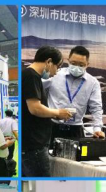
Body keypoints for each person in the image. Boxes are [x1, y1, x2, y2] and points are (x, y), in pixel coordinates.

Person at [22, 46, 72, 177]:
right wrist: (57, 113)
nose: (56, 72)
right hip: (34, 147)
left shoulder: (32, 76)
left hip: (33, 146)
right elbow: (35, 108)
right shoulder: (31, 76)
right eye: (57, 67)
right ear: (49, 62)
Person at [44, 46, 105, 143]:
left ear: (87, 64)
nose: (76, 67)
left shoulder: (93, 83)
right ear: (68, 61)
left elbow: (96, 107)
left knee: (77, 153)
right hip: (52, 126)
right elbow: (36, 86)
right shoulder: (55, 74)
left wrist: (97, 128)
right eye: (73, 63)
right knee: (49, 152)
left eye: (81, 65)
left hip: (75, 129)